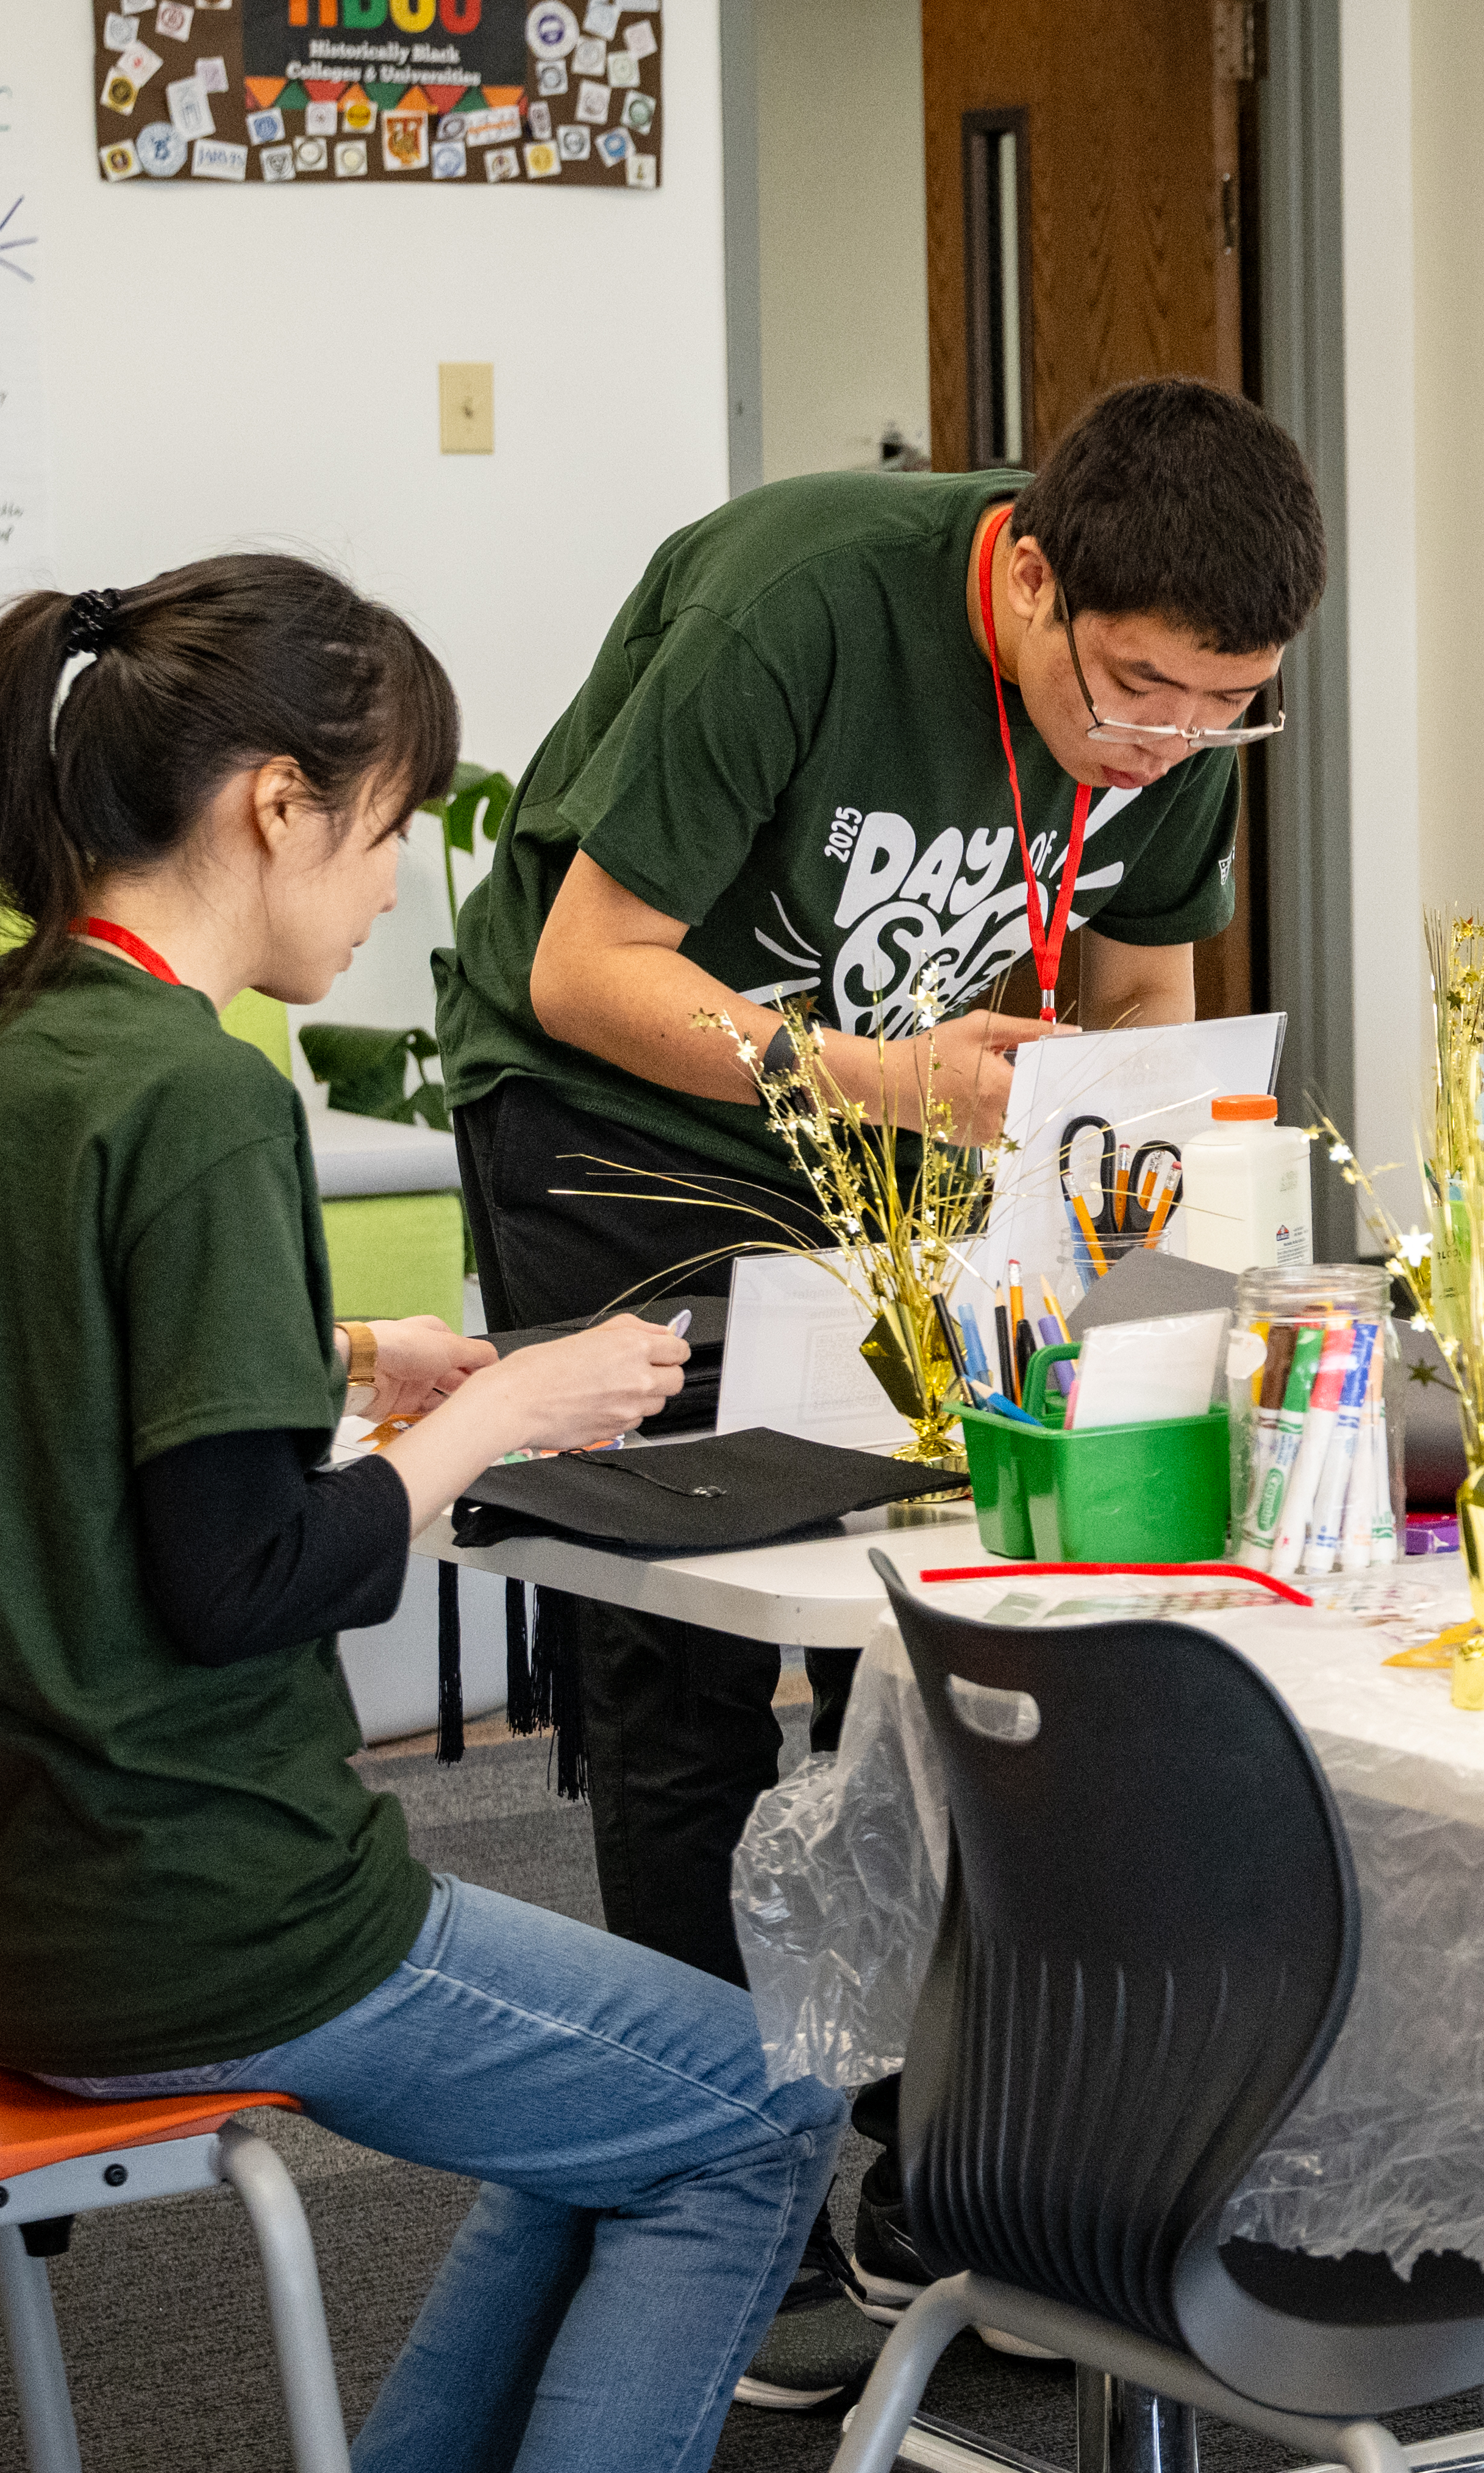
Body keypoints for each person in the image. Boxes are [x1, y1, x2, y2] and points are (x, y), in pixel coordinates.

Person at [0, 557, 841, 2473]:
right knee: (755, 2114)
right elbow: (248, 1580)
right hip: (214, 1910)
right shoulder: (202, 1094)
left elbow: (51, 1369)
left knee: (614, 2101)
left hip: (11, 1895)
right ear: (274, 804)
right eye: (385, 831)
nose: (395, 886)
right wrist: (507, 1413)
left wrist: (339, 1348)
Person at [438, 378, 1322, 2388]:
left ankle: (948, 2166)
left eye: (1224, 708)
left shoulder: (1175, 695)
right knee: (688, 1654)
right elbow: (590, 969)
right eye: (1136, 698)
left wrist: (1130, 1218)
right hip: (625, 1114)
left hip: (916, 1133)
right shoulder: (804, 606)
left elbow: (1135, 1003)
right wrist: (886, 1078)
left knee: (936, 1627)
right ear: (1021, 575)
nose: (1168, 741)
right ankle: (707, 2189)